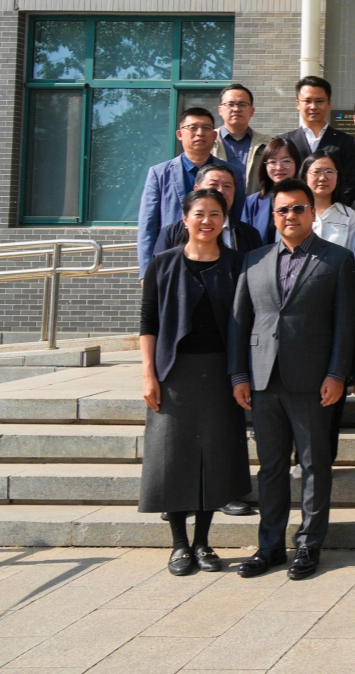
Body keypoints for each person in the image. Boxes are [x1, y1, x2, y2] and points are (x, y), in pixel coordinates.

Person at [228, 178, 355, 580]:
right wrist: (238, 374)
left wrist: (337, 373)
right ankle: (269, 546)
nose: (291, 215)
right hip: (263, 380)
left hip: (313, 381)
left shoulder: (337, 259)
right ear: (273, 216)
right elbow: (239, 322)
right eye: (283, 209)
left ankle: (308, 545)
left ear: (312, 213)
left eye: (299, 208)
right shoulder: (253, 260)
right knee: (270, 468)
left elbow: (346, 323)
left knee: (314, 465)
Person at [139, 188, 252, 576]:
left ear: (224, 220)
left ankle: (203, 542)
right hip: (174, 374)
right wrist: (148, 373)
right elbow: (148, 322)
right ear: (185, 219)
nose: (207, 221)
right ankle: (179, 545)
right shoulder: (163, 263)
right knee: (174, 457)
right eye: (199, 213)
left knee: (213, 457)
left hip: (221, 373)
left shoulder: (237, 264)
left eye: (215, 214)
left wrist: (240, 375)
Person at [137, 107, 221, 277]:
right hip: (171, 261)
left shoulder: (230, 173)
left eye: (206, 128)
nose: (200, 133)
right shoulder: (159, 173)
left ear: (214, 135)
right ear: (180, 134)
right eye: (192, 127)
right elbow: (148, 226)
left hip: (218, 262)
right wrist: (146, 272)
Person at [281, 76, 355, 208]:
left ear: (329, 103)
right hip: (293, 212)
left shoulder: (345, 142)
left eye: (319, 101)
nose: (313, 107)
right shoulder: (285, 142)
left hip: (333, 213)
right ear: (298, 104)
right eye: (307, 101)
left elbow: (351, 184)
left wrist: (329, 210)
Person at [157, 163, 263, 255]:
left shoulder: (249, 234)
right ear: (197, 189)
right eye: (213, 185)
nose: (220, 191)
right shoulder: (171, 233)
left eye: (227, 186)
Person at [301, 147, 355, 257]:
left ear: (338, 177)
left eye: (329, 172)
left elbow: (354, 258)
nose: (323, 178)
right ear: (305, 176)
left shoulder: (349, 216)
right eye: (316, 172)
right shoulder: (295, 212)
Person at [241, 138, 301, 243]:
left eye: (286, 161)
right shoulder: (253, 202)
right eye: (272, 162)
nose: (279, 167)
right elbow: (244, 241)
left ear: (297, 163)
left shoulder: (307, 199)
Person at [212, 83, 265, 194]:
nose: (236, 109)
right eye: (230, 104)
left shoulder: (267, 144)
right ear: (220, 110)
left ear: (252, 111)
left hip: (254, 204)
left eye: (242, 104)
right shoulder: (208, 142)